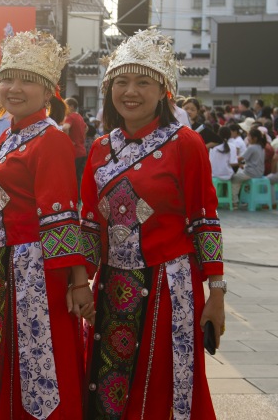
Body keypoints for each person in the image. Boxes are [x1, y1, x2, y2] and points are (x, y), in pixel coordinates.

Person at [82, 28, 224, 419]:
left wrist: (217, 293)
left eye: (143, 82)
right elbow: (90, 222)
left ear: (163, 90)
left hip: (169, 287)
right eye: (122, 82)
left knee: (163, 387)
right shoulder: (100, 148)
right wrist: (79, 281)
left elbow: (204, 220)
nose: (131, 91)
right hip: (111, 285)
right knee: (108, 386)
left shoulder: (185, 143)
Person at [0, 30, 92, 420]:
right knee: (8, 353)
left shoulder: (51, 139)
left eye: (27, 80)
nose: (13, 88)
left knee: (41, 362)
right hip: (6, 262)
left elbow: (62, 216)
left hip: (38, 269)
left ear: (48, 93)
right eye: (8, 78)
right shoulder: (9, 136)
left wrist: (78, 281)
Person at [231, 127, 266, 207]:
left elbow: (240, 158)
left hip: (250, 173)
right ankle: (246, 199)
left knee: (234, 179)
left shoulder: (252, 147)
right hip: (259, 172)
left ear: (255, 138)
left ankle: (234, 201)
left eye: (249, 136)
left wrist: (231, 158)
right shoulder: (261, 147)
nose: (247, 138)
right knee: (242, 180)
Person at [62, 97, 88, 192]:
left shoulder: (70, 117)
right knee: (78, 178)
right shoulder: (79, 116)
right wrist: (81, 138)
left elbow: (65, 128)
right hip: (82, 151)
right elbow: (86, 128)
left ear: (72, 107)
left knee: (69, 178)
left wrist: (67, 141)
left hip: (74, 152)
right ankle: (78, 198)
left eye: (66, 105)